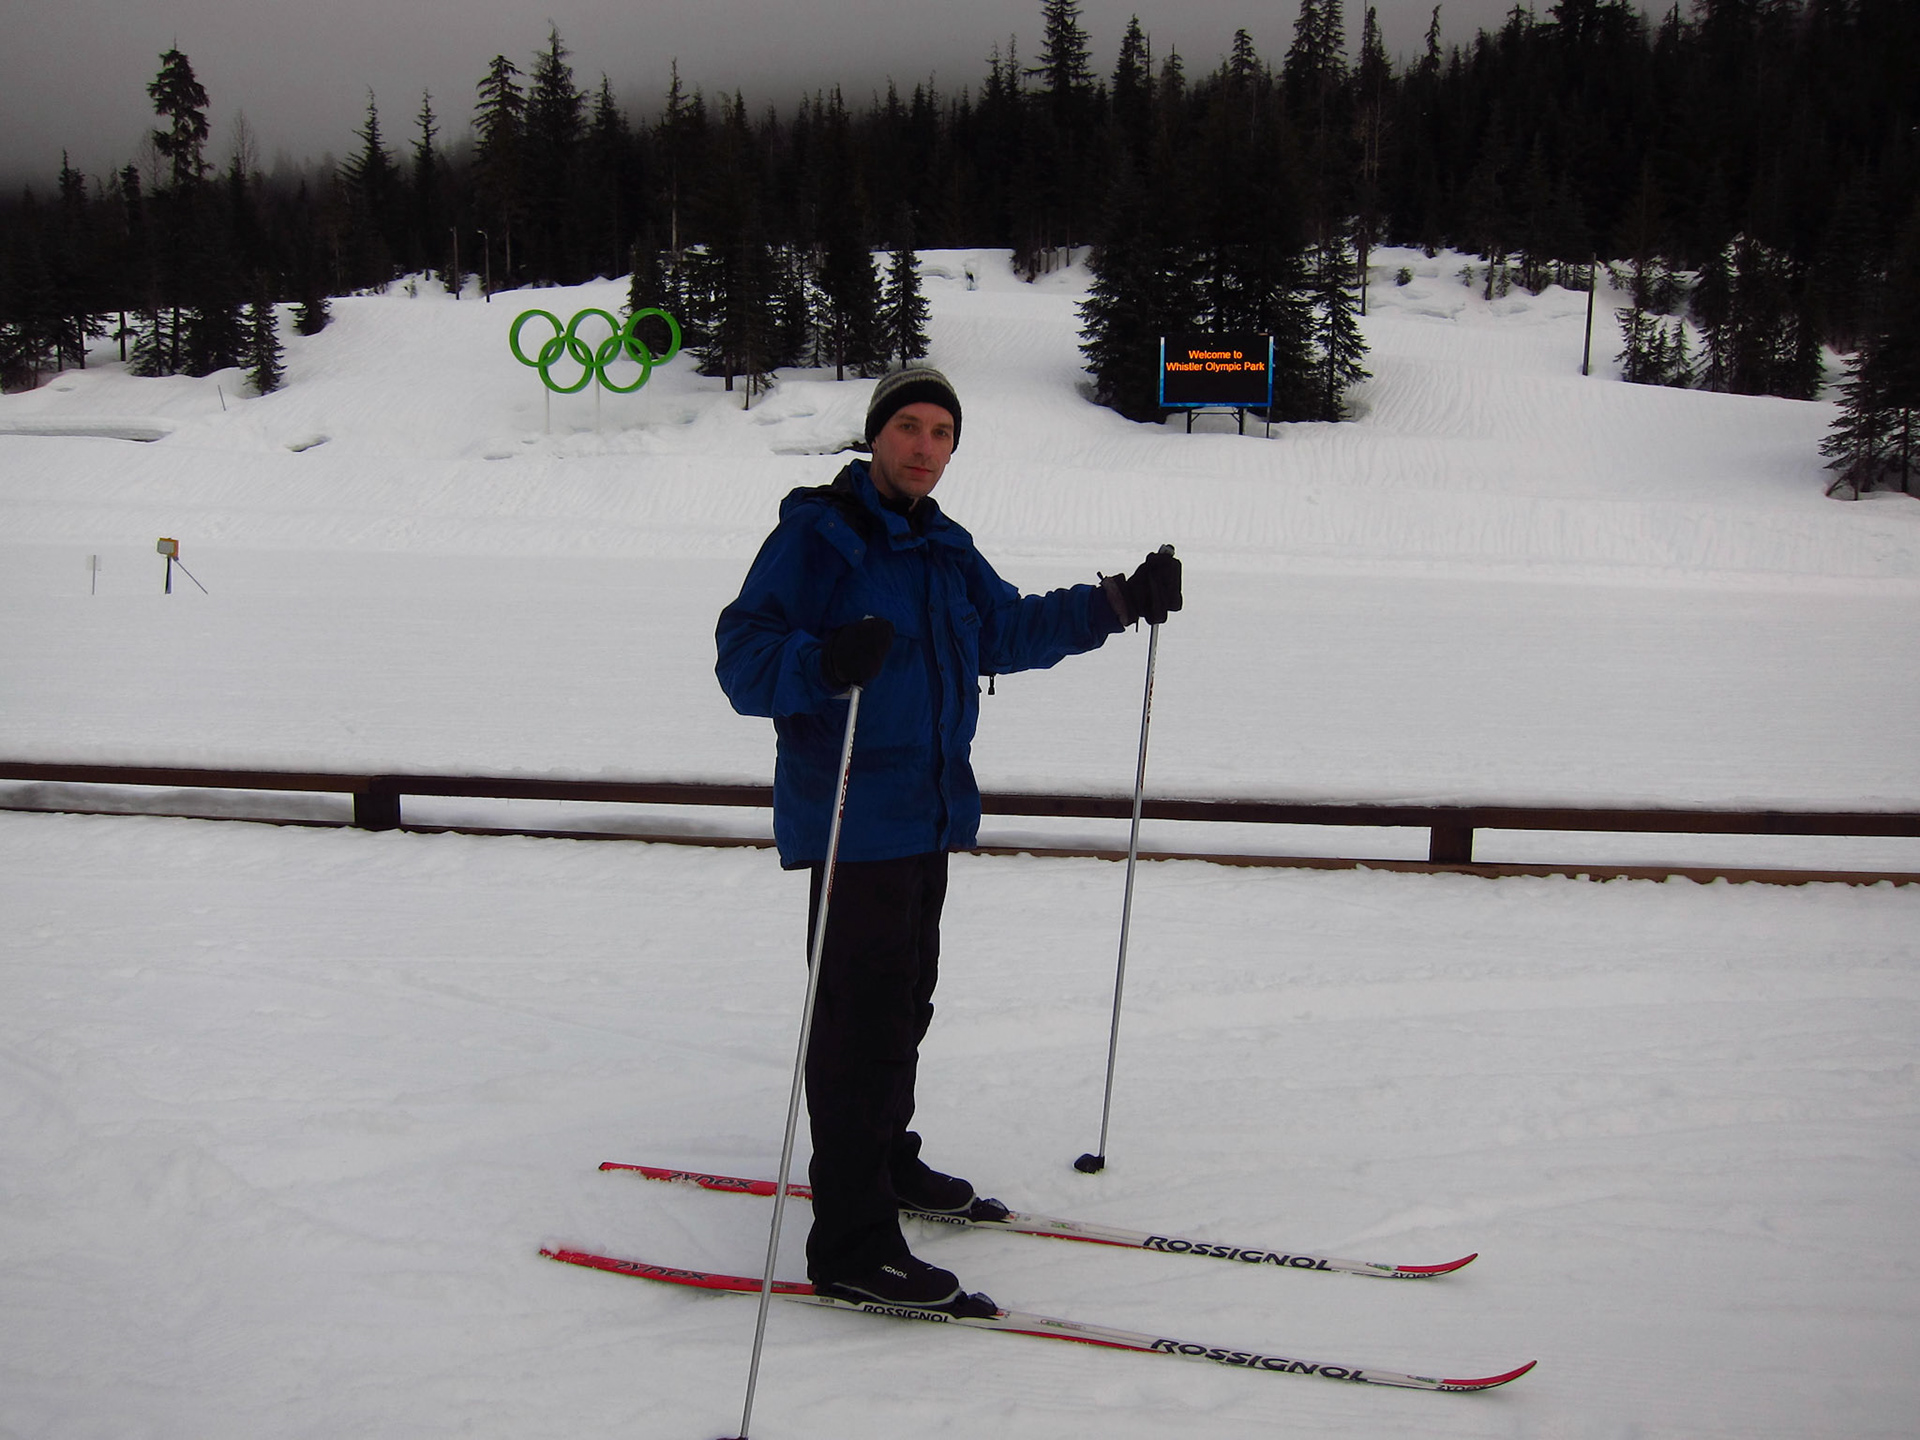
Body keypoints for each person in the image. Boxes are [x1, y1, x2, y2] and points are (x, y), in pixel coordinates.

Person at [715, 365, 1181, 1314]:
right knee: (858, 1031)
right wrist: (822, 660)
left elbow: (1001, 631)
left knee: (903, 1009)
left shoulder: (943, 546)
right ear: (875, 434)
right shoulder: (819, 535)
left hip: (928, 813)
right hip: (852, 819)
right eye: (909, 427)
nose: (925, 447)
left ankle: (886, 1163)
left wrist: (1118, 602)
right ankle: (852, 1245)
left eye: (942, 433)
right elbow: (743, 656)